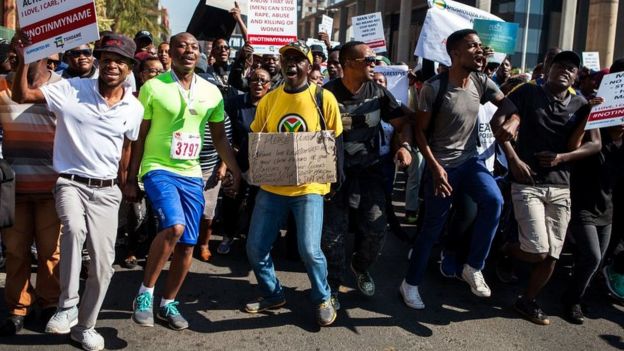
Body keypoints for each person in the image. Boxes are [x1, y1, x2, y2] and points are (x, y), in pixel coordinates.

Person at [12, 32, 144, 351]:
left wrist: (128, 180)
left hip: (107, 191)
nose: (113, 65)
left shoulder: (133, 108)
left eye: (121, 61)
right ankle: (67, 305)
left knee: (103, 266)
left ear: (129, 69)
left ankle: (85, 326)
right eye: (107, 59)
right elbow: (23, 95)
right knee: (72, 230)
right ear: (99, 62)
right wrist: (24, 58)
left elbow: (127, 146)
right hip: (69, 181)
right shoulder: (71, 88)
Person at [126, 32, 241, 331]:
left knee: (188, 244)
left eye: (193, 47)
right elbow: (138, 137)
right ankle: (145, 295)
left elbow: (219, 138)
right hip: (157, 167)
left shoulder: (212, 92)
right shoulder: (152, 87)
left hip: (191, 173)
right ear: (171, 52)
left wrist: (236, 171)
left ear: (199, 54)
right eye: (181, 46)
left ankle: (168, 303)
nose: (188, 51)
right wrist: (130, 177)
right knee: (174, 226)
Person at [401, 29, 515, 310]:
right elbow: (420, 133)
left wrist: (513, 121)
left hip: (470, 161)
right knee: (432, 228)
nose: (480, 50)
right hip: (442, 166)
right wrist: (435, 168)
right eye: (473, 46)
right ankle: (410, 284)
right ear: (454, 53)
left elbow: (510, 104)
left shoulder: (481, 80)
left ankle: (473, 266)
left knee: (494, 201)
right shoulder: (433, 88)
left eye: (480, 45)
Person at [491, 50, 601, 325]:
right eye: (560, 65)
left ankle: (527, 301)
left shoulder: (582, 103)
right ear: (549, 68)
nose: (566, 71)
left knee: (552, 254)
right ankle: (503, 249)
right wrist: (514, 160)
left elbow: (595, 144)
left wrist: (562, 158)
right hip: (528, 182)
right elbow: (497, 123)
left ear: (577, 76)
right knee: (538, 250)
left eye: (572, 69)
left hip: (561, 186)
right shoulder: (527, 92)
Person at [243, 41, 342, 327]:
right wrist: (246, 171)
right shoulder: (270, 100)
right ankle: (273, 294)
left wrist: (335, 181)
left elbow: (336, 142)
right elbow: (255, 137)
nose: (291, 64)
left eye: (299, 60)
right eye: (287, 59)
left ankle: (323, 297)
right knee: (255, 248)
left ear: (310, 67)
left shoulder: (324, 99)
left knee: (310, 250)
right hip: (273, 188)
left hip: (309, 189)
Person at [321, 41, 412, 303]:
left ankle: (359, 267)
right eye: (369, 60)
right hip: (334, 175)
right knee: (333, 237)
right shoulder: (327, 94)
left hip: (369, 172)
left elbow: (402, 121)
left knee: (376, 228)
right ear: (349, 64)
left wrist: (404, 145)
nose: (375, 64)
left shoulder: (378, 93)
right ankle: (332, 287)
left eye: (375, 60)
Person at [0, 55, 62, 337]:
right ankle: (18, 307)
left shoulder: (63, 89)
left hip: (52, 188)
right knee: (15, 252)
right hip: (12, 189)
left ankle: (50, 303)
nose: (17, 57)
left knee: (51, 253)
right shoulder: (2, 87)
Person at [218, 68, 272, 255]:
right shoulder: (234, 104)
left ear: (270, 85)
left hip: (265, 162)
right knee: (232, 198)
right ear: (248, 82)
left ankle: (253, 240)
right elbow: (225, 134)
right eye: (255, 79)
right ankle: (227, 236)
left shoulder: (274, 105)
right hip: (237, 160)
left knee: (259, 203)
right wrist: (225, 163)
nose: (258, 84)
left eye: (263, 81)